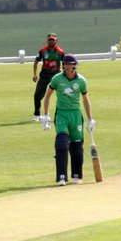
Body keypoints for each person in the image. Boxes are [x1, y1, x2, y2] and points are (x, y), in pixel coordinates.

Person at [40, 54, 94, 186]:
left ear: (75, 65)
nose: (68, 66)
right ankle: (61, 177)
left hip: (76, 115)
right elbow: (47, 97)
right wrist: (46, 115)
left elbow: (85, 99)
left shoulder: (81, 80)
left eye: (71, 64)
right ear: (63, 65)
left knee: (76, 147)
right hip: (62, 114)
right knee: (62, 144)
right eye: (66, 64)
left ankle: (77, 175)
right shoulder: (57, 79)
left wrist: (90, 119)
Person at [31, 34, 65, 121]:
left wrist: (64, 74)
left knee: (61, 95)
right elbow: (36, 62)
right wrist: (35, 75)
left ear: (56, 41)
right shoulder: (42, 51)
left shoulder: (60, 52)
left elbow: (65, 64)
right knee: (37, 95)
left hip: (56, 76)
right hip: (44, 75)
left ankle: (59, 115)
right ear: (47, 41)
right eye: (50, 40)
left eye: (53, 40)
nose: (51, 41)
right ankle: (37, 114)